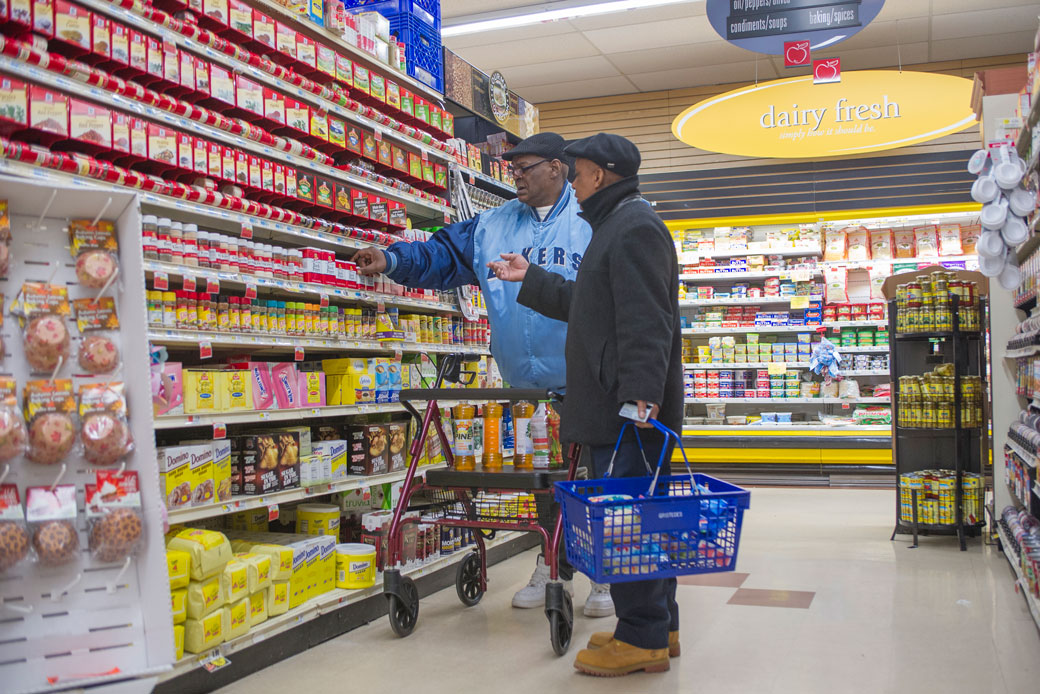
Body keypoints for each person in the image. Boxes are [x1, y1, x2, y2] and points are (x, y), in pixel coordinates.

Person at [352, 132, 614, 618]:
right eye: (512, 166)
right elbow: (439, 256)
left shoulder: (591, 221)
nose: (514, 173)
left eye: (525, 166)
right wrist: (392, 259)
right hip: (525, 384)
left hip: (588, 379)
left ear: (557, 168)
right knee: (545, 481)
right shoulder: (491, 226)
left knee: (596, 479)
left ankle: (603, 574)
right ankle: (553, 564)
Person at [488, 132, 683, 676]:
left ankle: (641, 637)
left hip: (627, 412)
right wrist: (533, 279)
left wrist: (640, 399)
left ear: (600, 174)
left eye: (577, 173)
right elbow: (591, 302)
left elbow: (648, 320)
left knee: (629, 521)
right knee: (645, 517)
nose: (573, 182)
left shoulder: (634, 226)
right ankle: (660, 626)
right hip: (619, 405)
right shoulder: (616, 225)